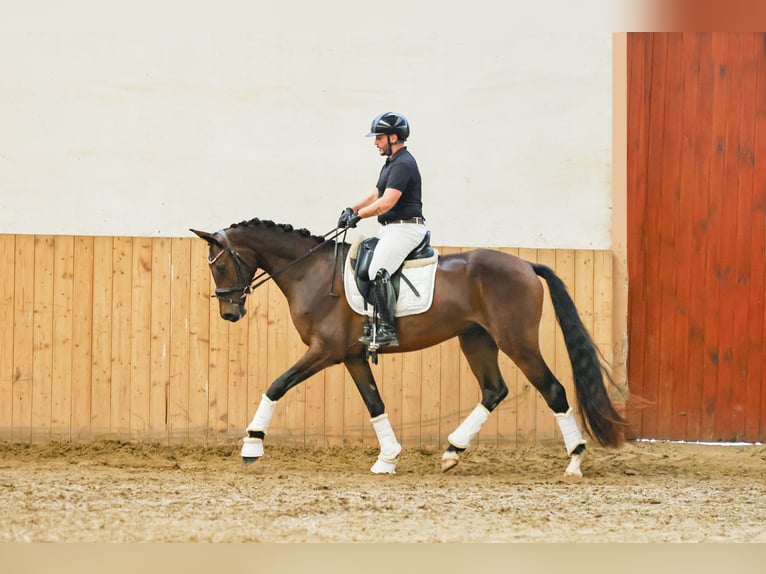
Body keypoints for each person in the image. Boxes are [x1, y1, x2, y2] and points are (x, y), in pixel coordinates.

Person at [337, 112, 428, 347]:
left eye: (379, 137)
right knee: (364, 262)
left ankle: (387, 328)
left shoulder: (405, 163)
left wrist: (359, 216)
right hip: (391, 230)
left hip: (406, 229)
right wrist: (351, 208)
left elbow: (387, 202)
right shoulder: (391, 163)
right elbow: (376, 193)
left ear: (393, 137)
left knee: (377, 269)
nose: (375, 142)